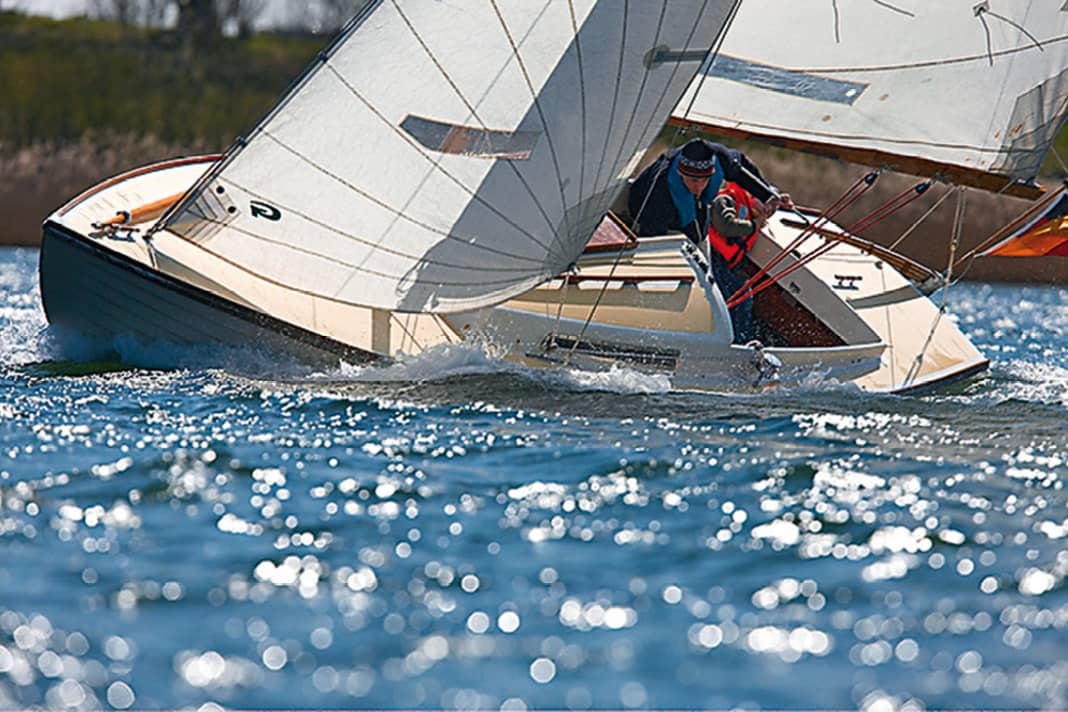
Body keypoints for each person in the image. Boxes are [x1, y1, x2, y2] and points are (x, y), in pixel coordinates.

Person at [627, 138, 792, 245]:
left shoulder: (720, 158)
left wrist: (768, 195)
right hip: (655, 216)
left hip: (693, 210)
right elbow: (651, 242)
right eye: (693, 180)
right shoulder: (658, 193)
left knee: (700, 235)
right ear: (680, 173)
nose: (699, 187)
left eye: (705, 180)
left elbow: (742, 170)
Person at [707, 181, 770, 343]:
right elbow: (724, 226)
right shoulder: (726, 199)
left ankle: (741, 339)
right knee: (727, 298)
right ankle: (734, 340)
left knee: (743, 294)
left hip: (724, 263)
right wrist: (753, 225)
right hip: (712, 256)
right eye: (763, 202)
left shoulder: (750, 211)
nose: (765, 209)